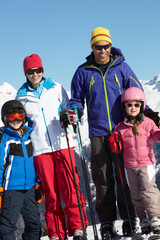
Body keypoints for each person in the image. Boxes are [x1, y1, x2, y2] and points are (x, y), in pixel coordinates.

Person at [68, 26, 146, 239]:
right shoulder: (83, 71)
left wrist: (148, 114)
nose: (102, 50)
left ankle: (130, 220)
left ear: (111, 46)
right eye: (97, 46)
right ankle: (106, 223)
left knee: (123, 177)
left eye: (106, 46)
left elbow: (137, 93)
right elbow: (76, 99)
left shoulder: (122, 68)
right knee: (102, 180)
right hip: (98, 133)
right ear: (92, 48)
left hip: (122, 131)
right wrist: (73, 112)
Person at [16, 54, 88, 240]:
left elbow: (71, 109)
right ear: (26, 73)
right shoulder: (21, 97)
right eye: (30, 71)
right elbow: (21, 124)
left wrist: (69, 115)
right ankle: (56, 233)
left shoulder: (55, 88)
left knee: (71, 189)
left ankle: (78, 228)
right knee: (51, 193)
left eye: (38, 70)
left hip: (62, 143)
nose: (35, 74)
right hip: (40, 149)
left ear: (42, 70)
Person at [109, 87, 160, 235]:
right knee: (136, 195)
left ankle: (155, 218)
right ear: (124, 106)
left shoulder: (149, 123)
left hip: (146, 164)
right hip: (129, 165)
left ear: (142, 106)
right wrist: (115, 143)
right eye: (129, 104)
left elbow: (156, 136)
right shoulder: (120, 127)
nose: (133, 108)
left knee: (149, 191)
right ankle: (144, 220)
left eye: (136, 105)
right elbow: (116, 146)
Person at [0, 100, 42, 240]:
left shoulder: (30, 136)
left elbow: (34, 162)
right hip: (12, 189)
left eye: (19, 115)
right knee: (7, 226)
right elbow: (0, 164)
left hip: (29, 188)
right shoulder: (5, 139)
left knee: (34, 224)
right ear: (5, 119)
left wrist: (37, 184)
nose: (16, 120)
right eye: (11, 117)